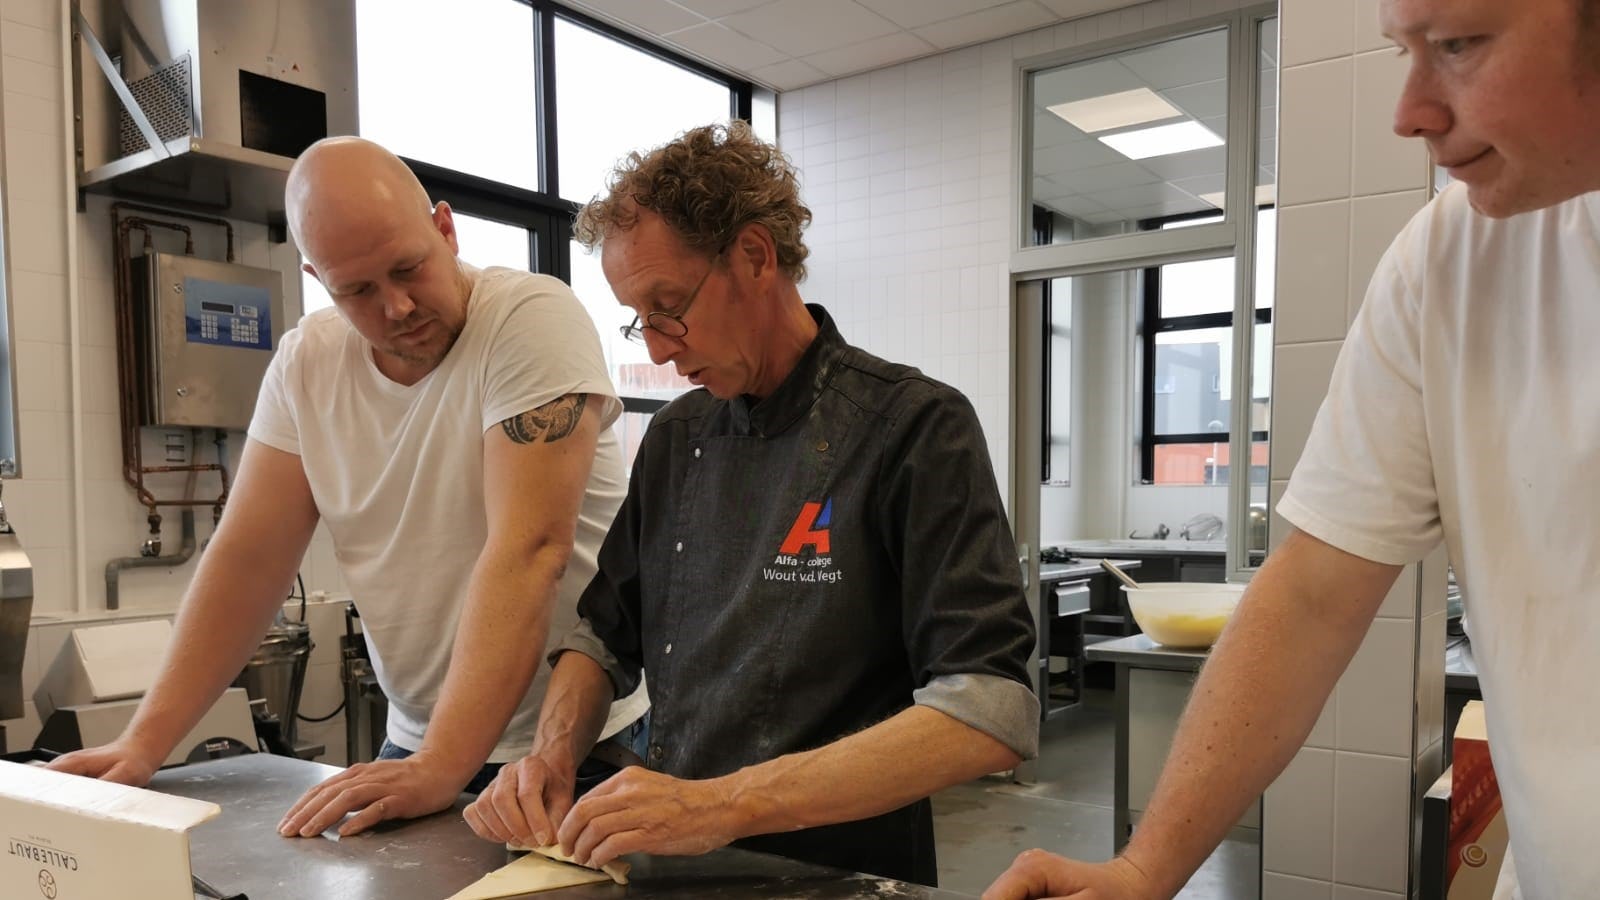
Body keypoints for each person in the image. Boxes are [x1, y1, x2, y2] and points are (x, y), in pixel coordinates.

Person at [983, 0, 1600, 897]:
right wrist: (1146, 866)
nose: (1408, 111)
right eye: (1403, 51)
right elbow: (1309, 597)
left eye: (1459, 45)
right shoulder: (1453, 262)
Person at [461, 121, 1040, 886]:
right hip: (670, 867)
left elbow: (989, 707)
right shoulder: (676, 437)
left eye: (669, 308)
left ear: (756, 256)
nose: (660, 348)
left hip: (839, 873)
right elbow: (602, 636)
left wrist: (722, 806)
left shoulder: (913, 427)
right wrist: (550, 757)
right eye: (641, 321)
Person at [49, 136, 647, 839]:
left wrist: (440, 766)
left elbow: (530, 550)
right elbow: (246, 562)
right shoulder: (308, 363)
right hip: (421, 742)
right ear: (316, 277)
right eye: (356, 290)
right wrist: (143, 744)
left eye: (408, 268)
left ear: (445, 228)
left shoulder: (527, 320)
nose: (395, 307)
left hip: (572, 746)